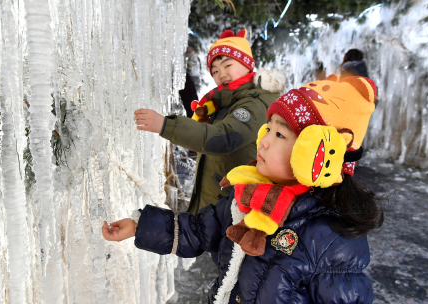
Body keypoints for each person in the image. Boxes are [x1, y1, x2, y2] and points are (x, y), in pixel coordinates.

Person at [104, 74, 384, 303]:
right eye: (268, 129)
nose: (263, 142)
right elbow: (198, 230)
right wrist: (139, 226)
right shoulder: (247, 200)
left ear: (317, 155)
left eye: (279, 134)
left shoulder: (333, 238)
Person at [134, 29, 283, 214]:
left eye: (228, 65)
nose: (221, 74)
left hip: (232, 212)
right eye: (215, 70)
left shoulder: (255, 104)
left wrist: (166, 125)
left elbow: (223, 139)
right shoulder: (224, 104)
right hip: (215, 206)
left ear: (247, 65)